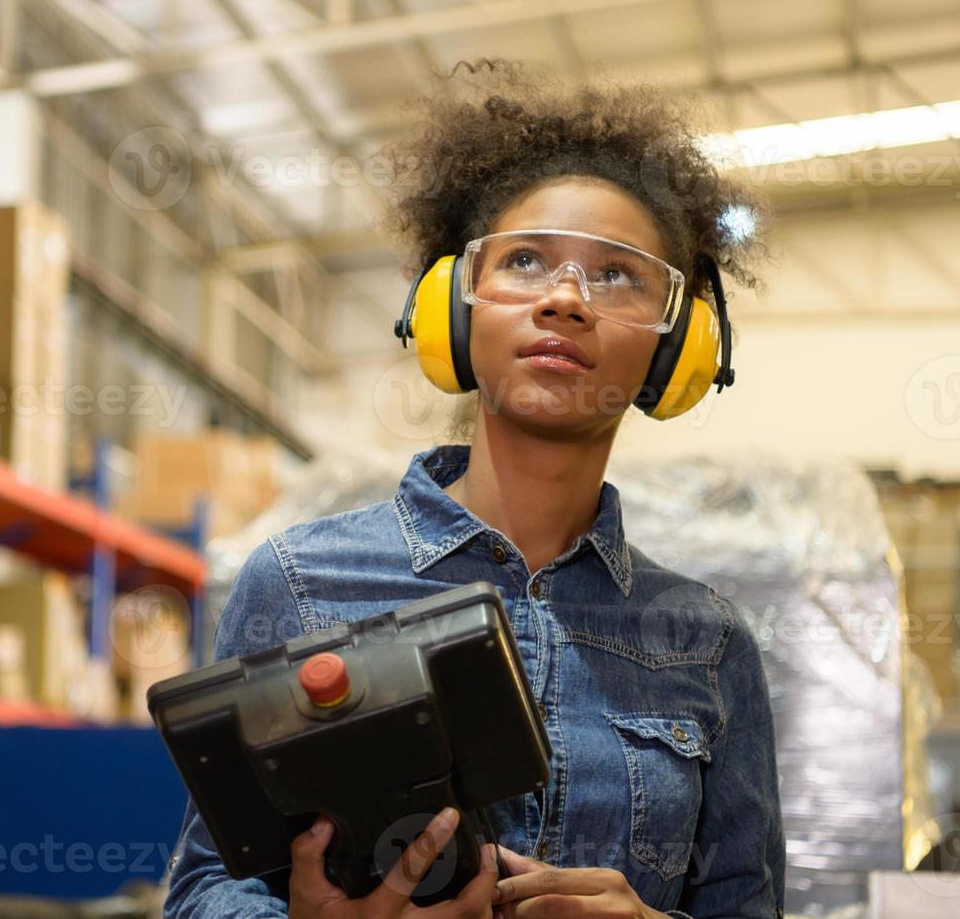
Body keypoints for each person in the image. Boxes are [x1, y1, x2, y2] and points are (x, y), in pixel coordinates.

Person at [162, 58, 784, 919]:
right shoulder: (300, 584)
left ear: (677, 352)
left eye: (616, 275)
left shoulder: (706, 644)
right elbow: (201, 889)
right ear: (451, 308)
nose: (565, 300)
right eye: (526, 261)